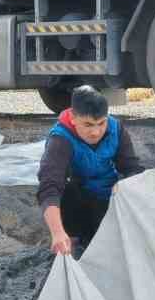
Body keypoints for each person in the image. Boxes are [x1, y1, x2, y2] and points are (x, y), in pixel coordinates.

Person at [39, 84, 146, 255]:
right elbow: (49, 187)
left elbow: (132, 168)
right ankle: (73, 241)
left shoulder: (116, 128)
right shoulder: (60, 139)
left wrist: (125, 184)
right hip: (79, 202)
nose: (96, 132)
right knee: (67, 189)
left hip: (109, 197)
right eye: (88, 125)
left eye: (101, 123)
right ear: (73, 118)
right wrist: (58, 233)